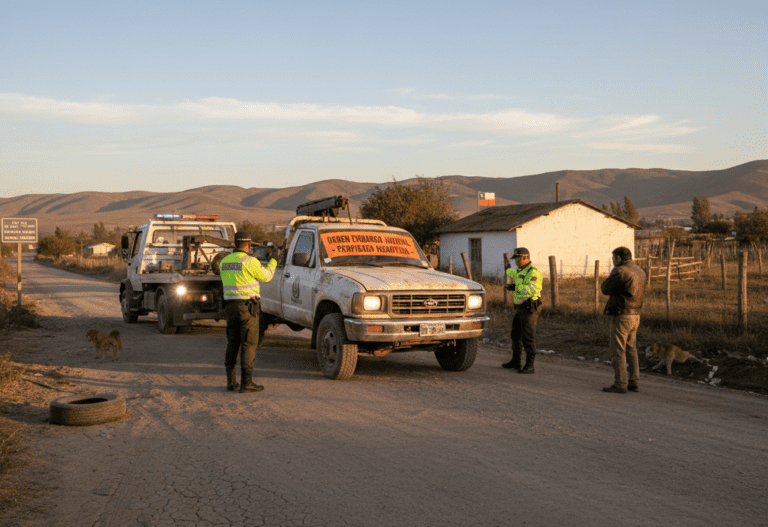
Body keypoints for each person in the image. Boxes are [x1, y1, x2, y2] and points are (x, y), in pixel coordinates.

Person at [219, 232, 277, 393]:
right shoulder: (250, 261)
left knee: (232, 344)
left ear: (235, 244)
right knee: (248, 344)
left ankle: (231, 383)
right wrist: (273, 261)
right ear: (247, 245)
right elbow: (266, 277)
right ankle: (247, 383)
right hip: (247, 308)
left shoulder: (224, 262)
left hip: (230, 307)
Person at [601, 246, 646, 394]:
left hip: (622, 314)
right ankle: (634, 381)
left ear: (619, 258)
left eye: (613, 257)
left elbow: (605, 288)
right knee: (631, 348)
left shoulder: (620, 271)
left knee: (618, 350)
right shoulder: (640, 271)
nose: (613, 261)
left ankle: (620, 383)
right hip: (636, 314)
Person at [502, 247, 543, 373]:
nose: (516, 262)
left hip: (530, 306)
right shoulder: (521, 271)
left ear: (526, 258)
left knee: (527, 336)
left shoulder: (533, 272)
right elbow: (512, 273)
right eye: (515, 260)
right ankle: (516, 361)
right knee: (515, 334)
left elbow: (532, 289)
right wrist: (507, 269)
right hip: (521, 307)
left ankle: (530, 365)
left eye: (518, 259)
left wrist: (516, 286)